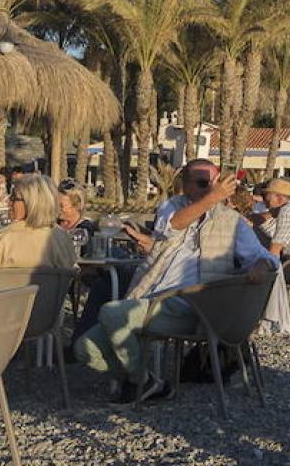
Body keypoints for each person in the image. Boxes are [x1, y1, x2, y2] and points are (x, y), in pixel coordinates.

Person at [73, 159, 278, 404]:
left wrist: (261, 264)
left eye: (214, 183)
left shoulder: (231, 221)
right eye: (203, 183)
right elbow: (172, 226)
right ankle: (149, 383)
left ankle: (141, 384)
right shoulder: (172, 207)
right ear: (186, 185)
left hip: (193, 305)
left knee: (111, 313)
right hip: (151, 297)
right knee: (85, 348)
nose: (210, 189)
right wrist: (212, 198)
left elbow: (266, 259)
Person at [0, 173, 77, 277]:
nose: (8, 201)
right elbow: (73, 272)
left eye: (14, 197)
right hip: (46, 306)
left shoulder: (5, 240)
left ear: (30, 204)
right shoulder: (62, 239)